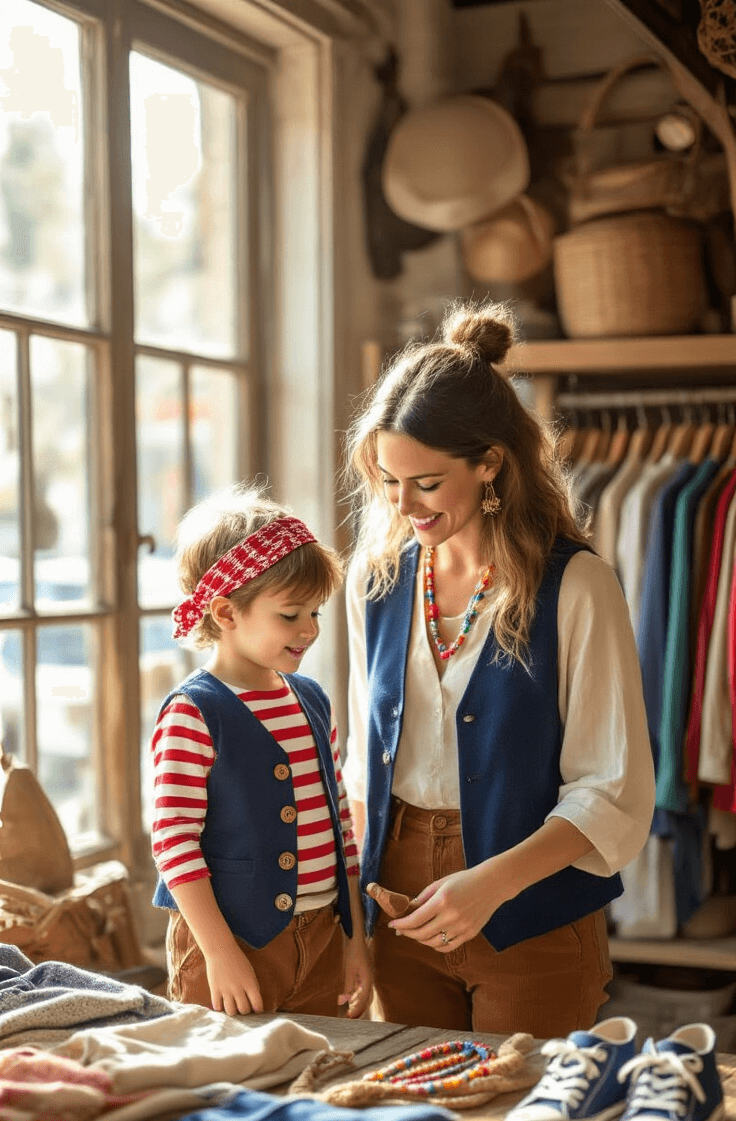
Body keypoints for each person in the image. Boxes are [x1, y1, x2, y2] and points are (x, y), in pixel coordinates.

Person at [342, 301, 655, 1036]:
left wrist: (491, 886)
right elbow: (363, 767)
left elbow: (612, 790)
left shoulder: (577, 587)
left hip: (531, 909)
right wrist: (354, 916)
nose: (403, 505)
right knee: (418, 1118)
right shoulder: (376, 578)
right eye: (389, 480)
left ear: (490, 463)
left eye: (426, 482)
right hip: (397, 906)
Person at [150, 483, 372, 1020]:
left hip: (323, 940)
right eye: (291, 615)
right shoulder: (193, 712)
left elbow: (341, 826)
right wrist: (220, 954)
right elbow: (173, 841)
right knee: (235, 1083)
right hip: (231, 945)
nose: (310, 630)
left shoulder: (312, 700)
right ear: (226, 613)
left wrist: (355, 938)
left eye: (316, 613)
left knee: (317, 1071)